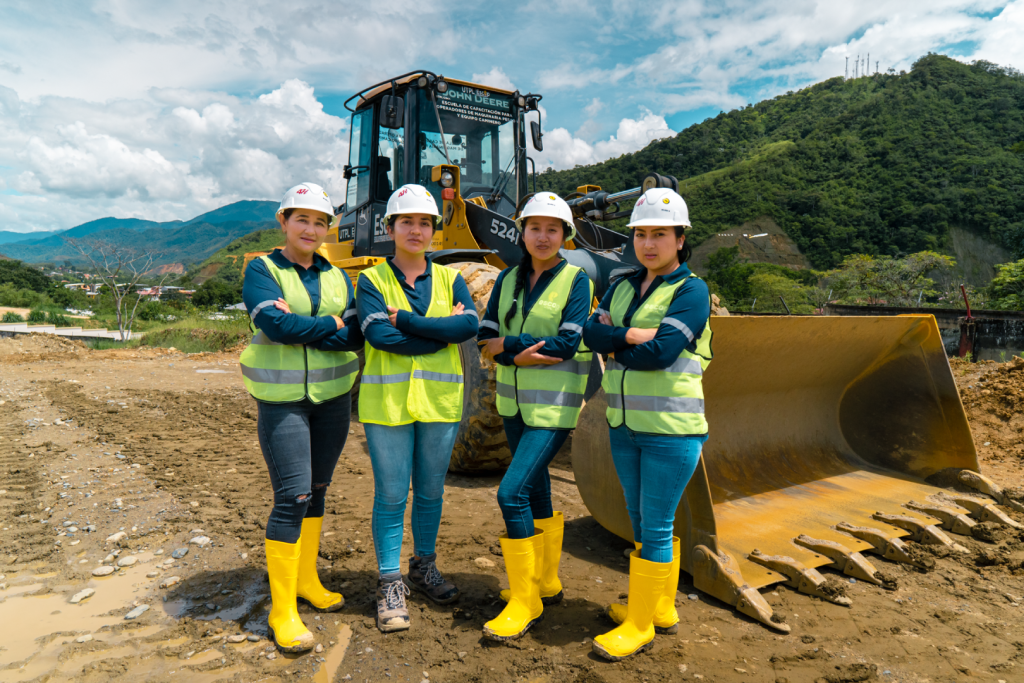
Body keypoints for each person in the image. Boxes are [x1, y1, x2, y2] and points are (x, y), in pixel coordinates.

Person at [582, 187, 712, 661]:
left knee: (655, 526)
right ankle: (660, 609)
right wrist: (628, 335)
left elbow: (661, 354)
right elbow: (589, 332)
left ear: (680, 239)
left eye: (660, 233)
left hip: (671, 431)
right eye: (640, 234)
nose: (648, 243)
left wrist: (613, 342)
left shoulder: (692, 291)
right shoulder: (619, 285)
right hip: (624, 425)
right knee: (640, 522)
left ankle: (640, 623)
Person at [240, 182, 362, 652]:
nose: (311, 229)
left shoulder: (337, 276)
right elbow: (275, 325)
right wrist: (330, 324)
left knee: (319, 490)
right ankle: (282, 609)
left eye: (320, 221)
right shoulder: (262, 269)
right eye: (302, 219)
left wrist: (317, 328)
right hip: (283, 398)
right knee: (293, 495)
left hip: (333, 396)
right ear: (284, 223)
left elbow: (354, 335)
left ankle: (307, 579)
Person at [356, 184, 479, 633]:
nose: (416, 229)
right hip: (387, 405)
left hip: (440, 404)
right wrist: (440, 332)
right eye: (406, 221)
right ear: (390, 228)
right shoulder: (371, 280)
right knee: (391, 496)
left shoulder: (450, 278)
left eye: (424, 222)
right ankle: (389, 582)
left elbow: (468, 326)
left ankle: (422, 566)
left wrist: (406, 320)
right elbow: (379, 337)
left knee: (429, 493)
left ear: (434, 229)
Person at [477, 193, 593, 641]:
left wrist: (510, 349)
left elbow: (567, 343)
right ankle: (545, 583)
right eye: (534, 228)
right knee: (538, 488)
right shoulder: (507, 279)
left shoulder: (576, 281)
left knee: (511, 494)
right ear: (521, 232)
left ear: (565, 236)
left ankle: (524, 601)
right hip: (513, 404)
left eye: (552, 229)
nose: (542, 237)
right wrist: (512, 351)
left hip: (553, 408)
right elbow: (486, 332)